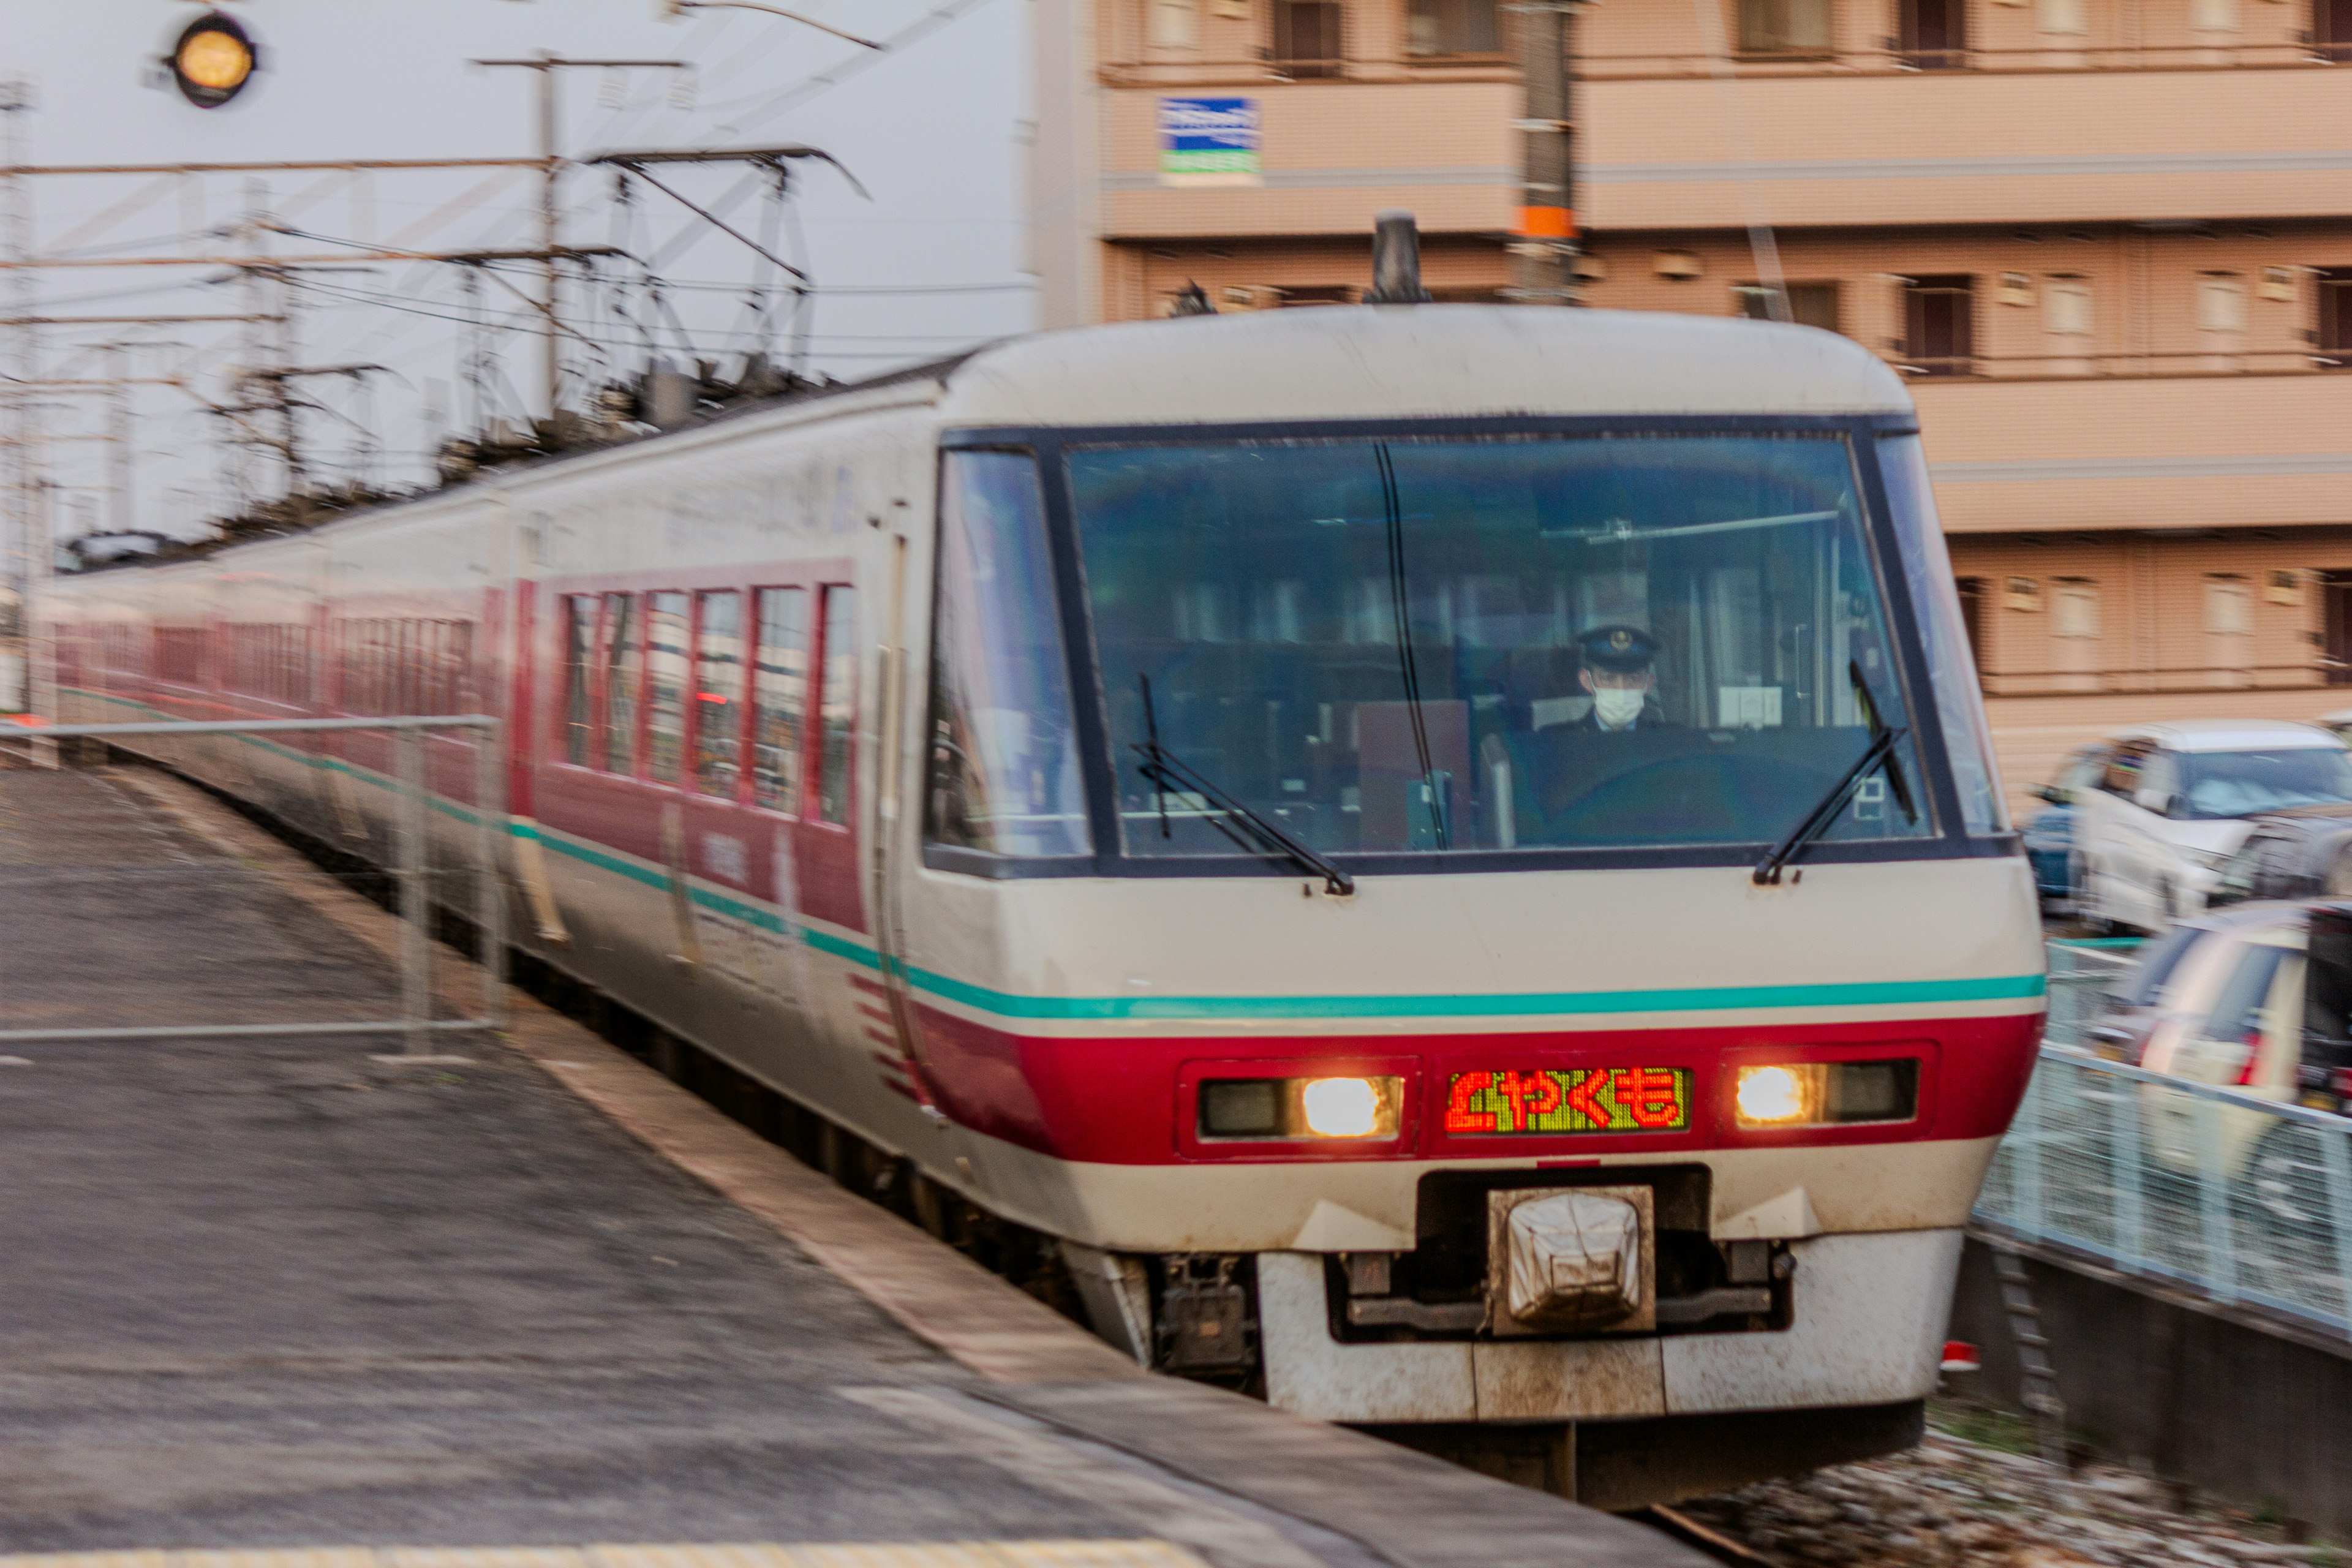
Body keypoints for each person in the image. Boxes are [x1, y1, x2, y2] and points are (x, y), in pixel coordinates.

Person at [1570, 624, 1672, 731]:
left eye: (1634, 679)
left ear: (1648, 684)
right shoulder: (1566, 741)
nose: (1621, 689)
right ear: (1587, 681)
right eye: (1608, 678)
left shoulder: (1669, 739)